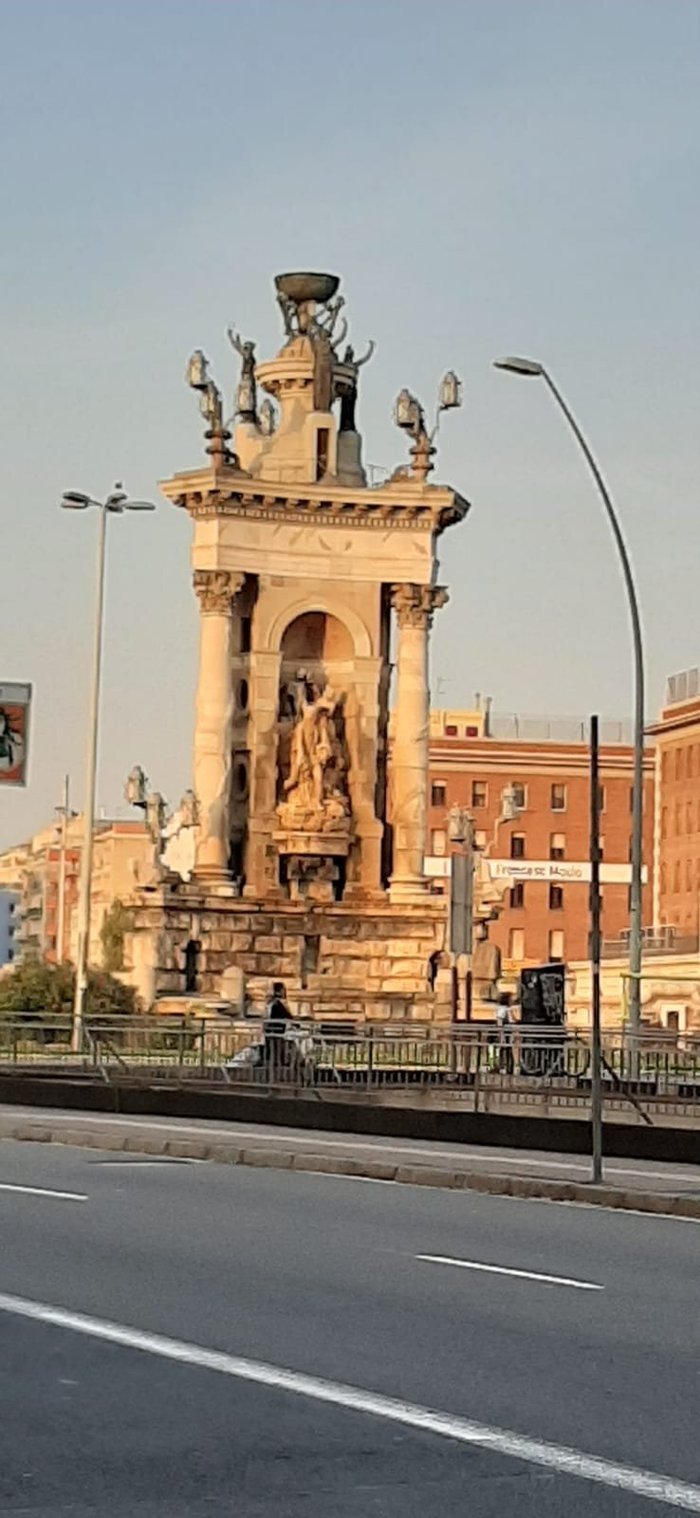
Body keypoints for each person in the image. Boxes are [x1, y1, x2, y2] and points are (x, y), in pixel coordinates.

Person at [264, 981, 291, 1080]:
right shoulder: (277, 1003)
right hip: (276, 1031)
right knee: (276, 1053)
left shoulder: (271, 1002)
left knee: (272, 1053)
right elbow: (287, 1016)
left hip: (271, 1031)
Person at [496, 992, 515, 1075]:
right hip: (505, 1032)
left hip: (507, 1032)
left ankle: (508, 1067)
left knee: (507, 1049)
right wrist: (502, 1035)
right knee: (505, 1049)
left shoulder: (505, 1009)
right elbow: (500, 1022)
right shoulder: (503, 1009)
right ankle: (504, 1067)